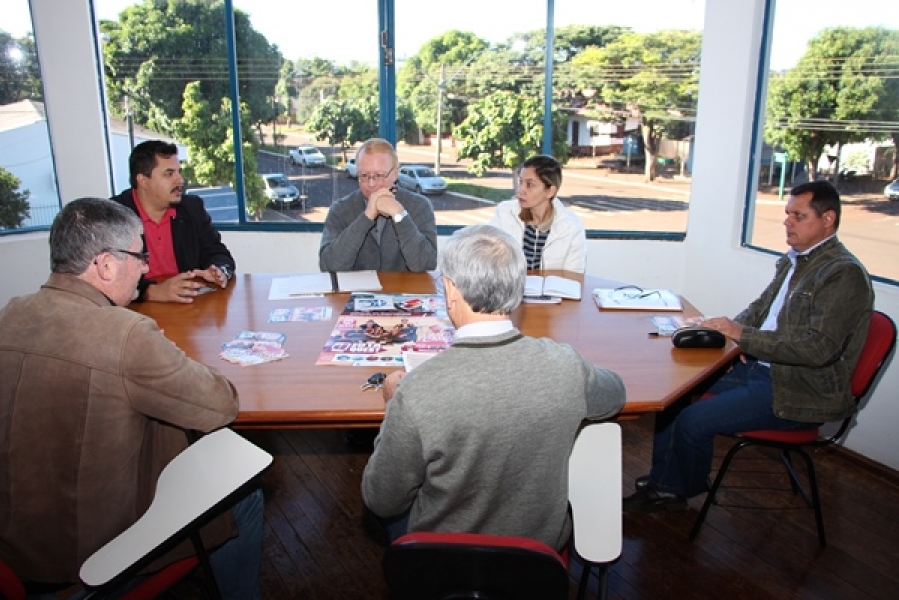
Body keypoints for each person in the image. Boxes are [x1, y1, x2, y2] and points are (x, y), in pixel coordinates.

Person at [0, 198, 262, 599]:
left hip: (16, 551)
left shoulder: (10, 314)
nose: (146, 266)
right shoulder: (126, 334)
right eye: (140, 255)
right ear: (105, 265)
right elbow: (220, 404)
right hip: (91, 556)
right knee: (245, 494)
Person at [361, 224, 625, 550]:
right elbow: (616, 394)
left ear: (450, 290)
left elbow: (381, 499)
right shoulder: (567, 365)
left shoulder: (416, 392)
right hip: (536, 562)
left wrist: (392, 407)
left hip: (443, 563)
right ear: (518, 288)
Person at [624, 180, 874, 513]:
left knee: (693, 420)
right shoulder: (796, 260)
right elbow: (760, 309)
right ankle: (667, 477)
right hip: (765, 366)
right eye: (787, 214)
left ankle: (673, 490)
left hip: (798, 389)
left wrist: (744, 336)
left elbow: (818, 349)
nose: (787, 222)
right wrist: (727, 334)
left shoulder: (843, 275)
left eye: (798, 216)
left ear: (828, 220)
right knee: (675, 389)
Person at [111, 140, 236, 303]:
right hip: (134, 311)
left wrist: (219, 271)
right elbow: (109, 278)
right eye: (169, 174)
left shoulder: (192, 208)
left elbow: (218, 253)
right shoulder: (114, 216)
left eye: (179, 172)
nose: (180, 181)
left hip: (185, 309)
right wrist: (152, 292)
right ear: (143, 180)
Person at [319, 138, 438, 272]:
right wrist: (367, 217)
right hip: (358, 292)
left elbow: (426, 265)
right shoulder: (340, 209)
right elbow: (329, 266)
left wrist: (400, 215)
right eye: (364, 175)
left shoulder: (419, 206)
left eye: (379, 175)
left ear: (395, 173)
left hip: (404, 291)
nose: (371, 184)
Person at [489, 154, 587, 273]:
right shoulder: (504, 213)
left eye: (530, 185)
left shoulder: (571, 226)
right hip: (509, 290)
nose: (520, 190)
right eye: (521, 182)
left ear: (550, 191)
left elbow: (574, 277)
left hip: (552, 291)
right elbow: (489, 264)